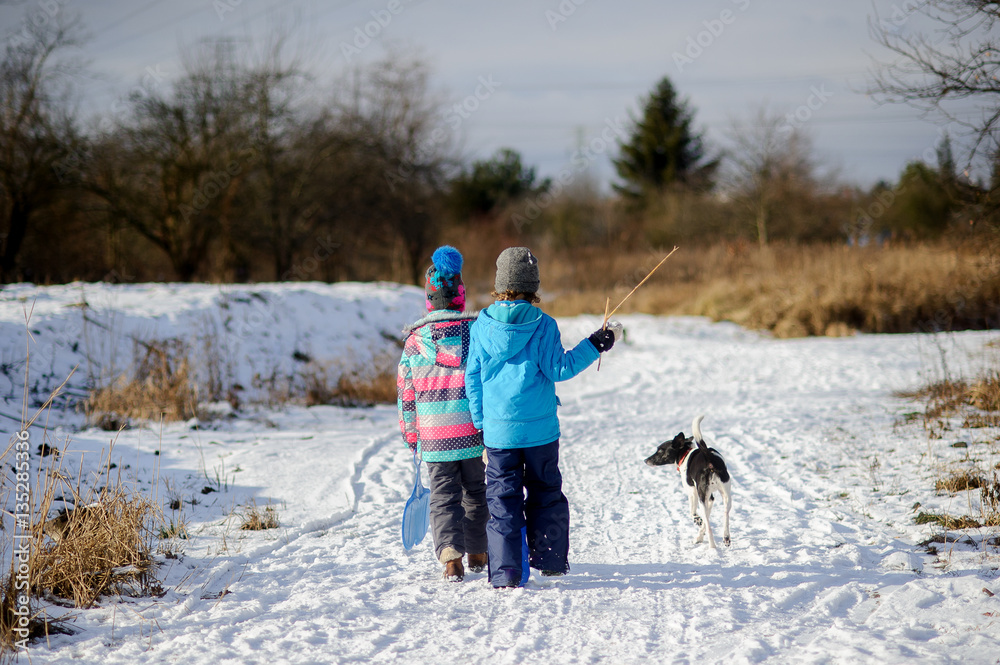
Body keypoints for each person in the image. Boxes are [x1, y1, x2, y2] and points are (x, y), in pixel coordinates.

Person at [465, 247, 621, 588]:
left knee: (502, 499)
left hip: (498, 433)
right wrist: (596, 343)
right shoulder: (544, 325)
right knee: (545, 490)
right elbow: (560, 367)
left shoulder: (481, 327)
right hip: (540, 433)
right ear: (532, 284)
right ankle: (549, 560)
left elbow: (472, 379)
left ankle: (507, 572)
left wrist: (481, 424)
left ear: (499, 283)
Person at [397, 245, 488, 582]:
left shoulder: (414, 343)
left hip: (435, 436)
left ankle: (451, 557)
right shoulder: (476, 333)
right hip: (471, 430)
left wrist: (411, 434)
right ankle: (479, 550)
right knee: (476, 491)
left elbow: (406, 394)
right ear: (460, 298)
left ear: (429, 299)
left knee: (443, 495)